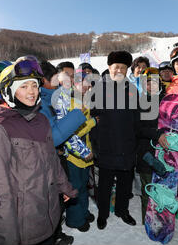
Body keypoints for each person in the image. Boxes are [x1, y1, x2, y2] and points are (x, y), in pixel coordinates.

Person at [0, 59, 78, 245]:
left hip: (48, 213)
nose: (32, 91)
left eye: (34, 85)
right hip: (22, 224)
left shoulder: (41, 120)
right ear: (8, 90)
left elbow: (52, 160)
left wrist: (64, 186)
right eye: (24, 86)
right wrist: (7, 236)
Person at [90, 50, 140, 230]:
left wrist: (135, 142)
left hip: (127, 146)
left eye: (123, 67)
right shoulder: (98, 89)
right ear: (109, 67)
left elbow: (137, 118)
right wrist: (95, 144)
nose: (119, 70)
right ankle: (102, 214)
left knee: (125, 184)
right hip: (106, 146)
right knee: (104, 184)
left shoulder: (132, 90)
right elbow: (92, 119)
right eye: (115, 66)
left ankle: (122, 210)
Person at [39, 60, 87, 245]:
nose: (61, 81)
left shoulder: (52, 97)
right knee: (51, 203)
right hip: (51, 159)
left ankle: (56, 232)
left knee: (58, 201)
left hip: (58, 157)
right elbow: (55, 135)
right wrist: (79, 115)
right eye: (57, 77)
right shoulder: (41, 101)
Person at [64, 70, 98, 232]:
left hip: (85, 154)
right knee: (75, 188)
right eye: (81, 83)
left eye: (88, 84)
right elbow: (72, 133)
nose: (85, 87)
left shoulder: (84, 102)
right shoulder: (69, 102)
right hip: (73, 156)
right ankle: (74, 220)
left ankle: (83, 212)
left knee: (83, 185)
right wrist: (92, 122)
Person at [135, 67, 167, 224]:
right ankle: (147, 219)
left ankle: (162, 218)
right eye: (147, 83)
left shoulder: (166, 99)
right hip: (145, 151)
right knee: (148, 186)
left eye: (154, 82)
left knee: (164, 187)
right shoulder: (137, 101)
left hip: (166, 152)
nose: (151, 86)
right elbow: (136, 128)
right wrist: (156, 134)